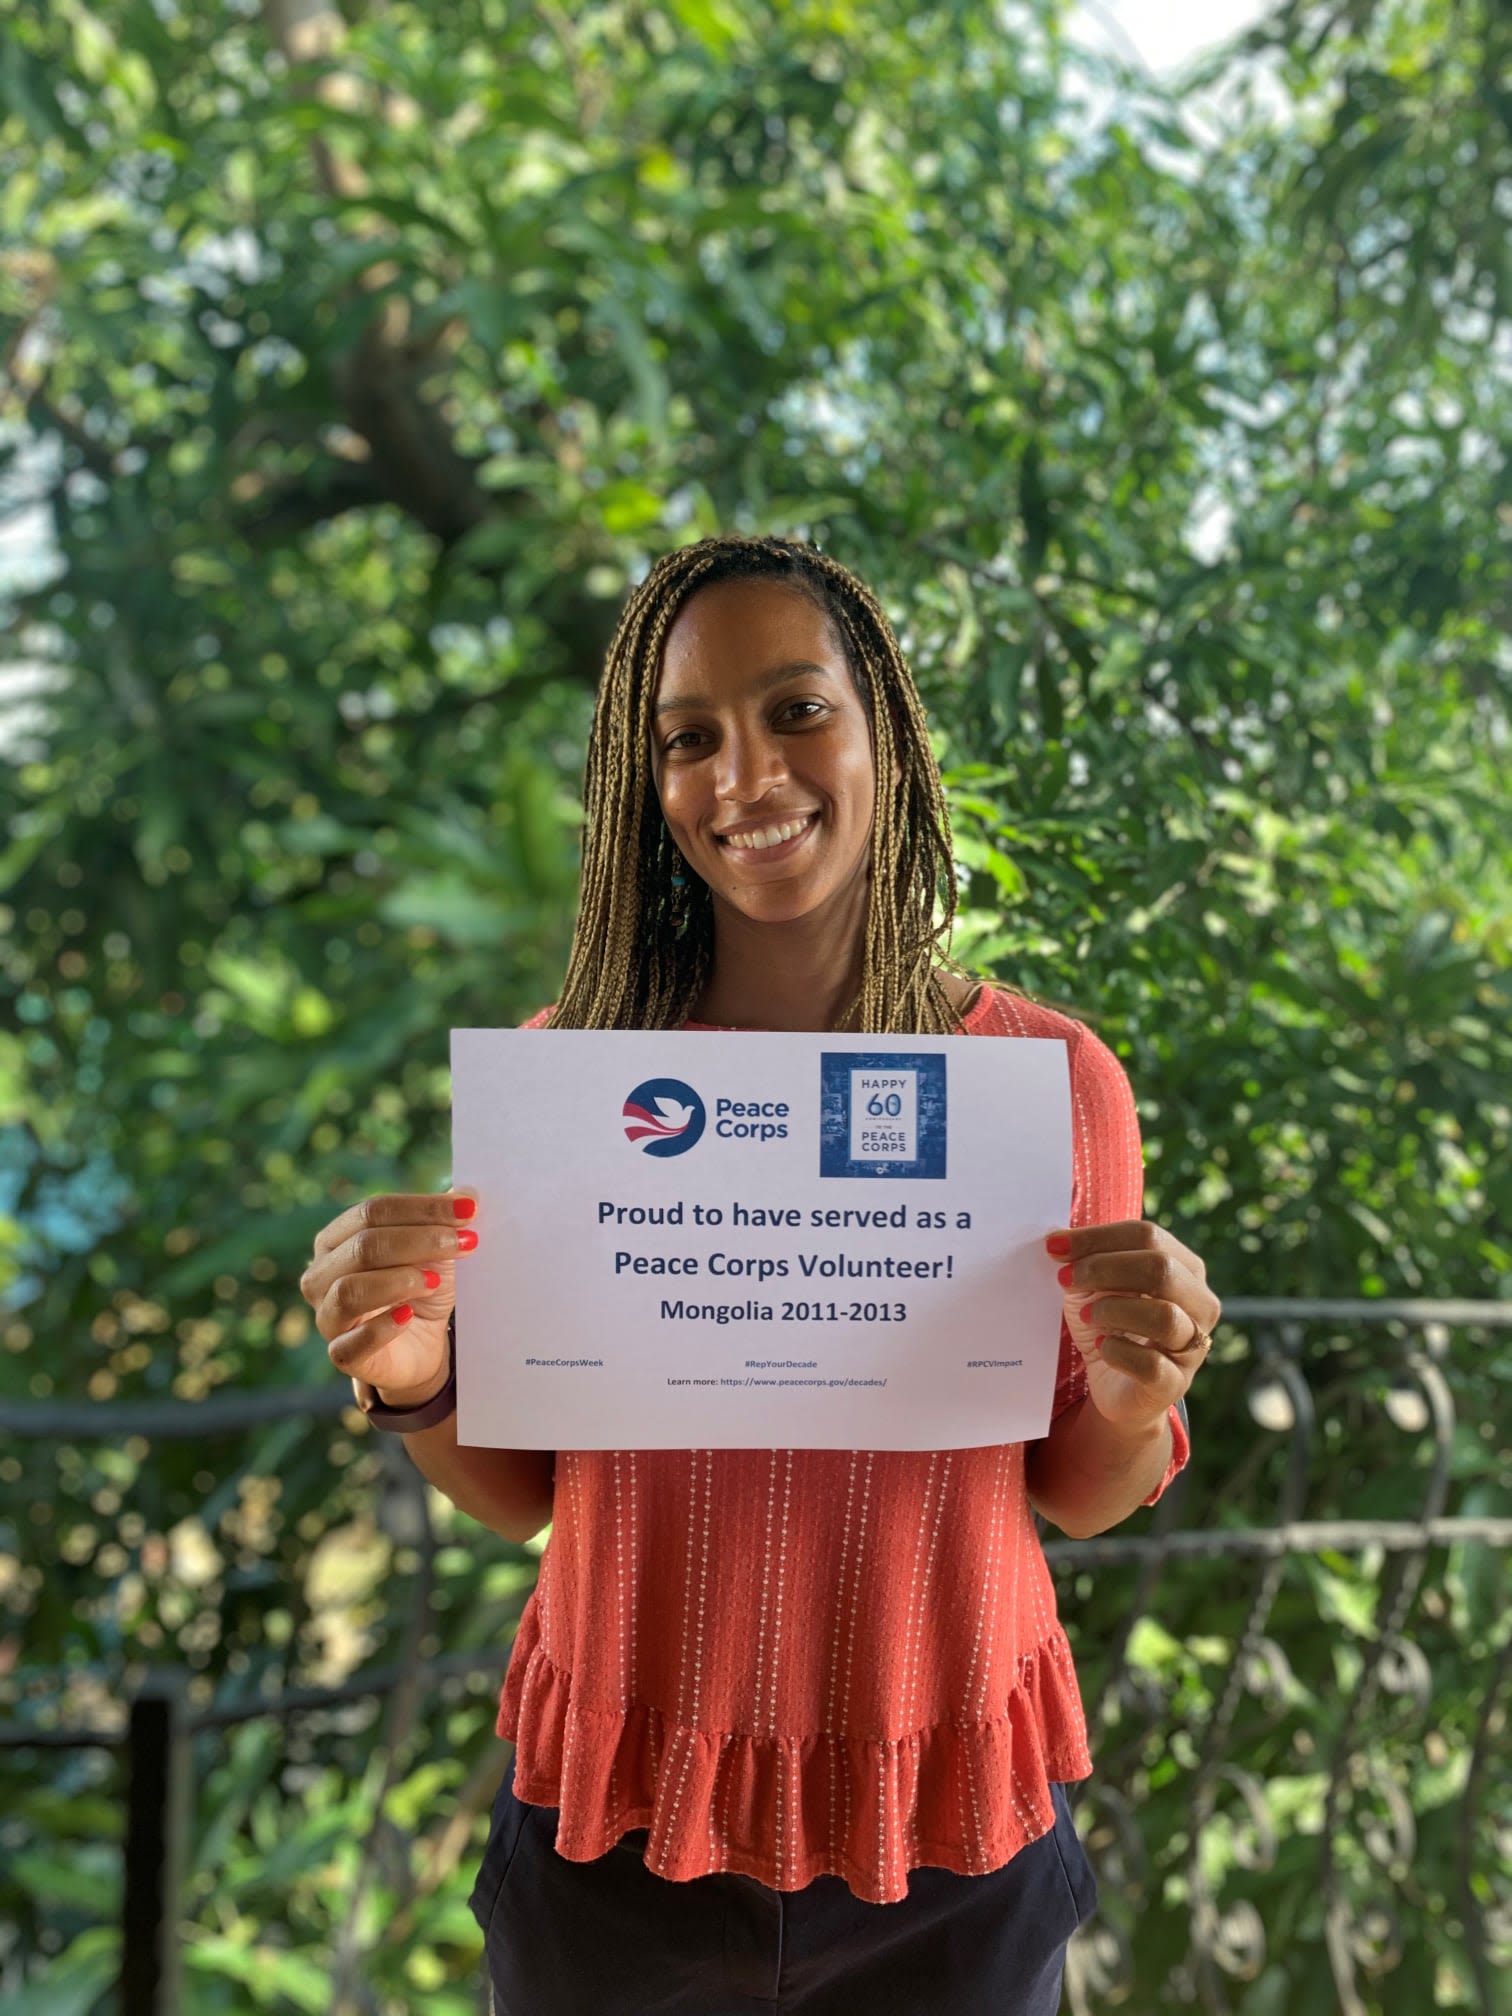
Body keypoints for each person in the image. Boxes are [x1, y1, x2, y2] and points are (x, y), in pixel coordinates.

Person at [298, 533, 1220, 2014]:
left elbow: (1081, 1488)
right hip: (616, 1827)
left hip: (949, 1834)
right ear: (648, 787)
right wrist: (411, 1378)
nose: (743, 777)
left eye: (796, 710)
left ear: (885, 734)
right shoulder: (565, 1085)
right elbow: (523, 1495)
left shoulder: (1050, 1082)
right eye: (688, 740)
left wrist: (1134, 1392)